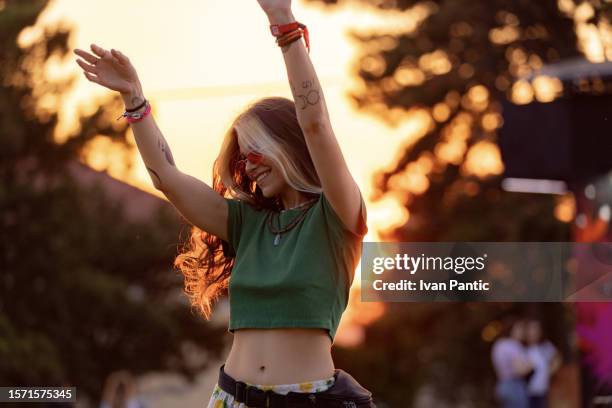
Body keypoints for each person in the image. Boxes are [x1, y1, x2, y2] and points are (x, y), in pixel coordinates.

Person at [73, 1, 375, 406]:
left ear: (286, 146)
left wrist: (284, 26)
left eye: (256, 152)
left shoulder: (336, 217)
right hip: (232, 397)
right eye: (241, 158)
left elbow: (315, 122)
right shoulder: (246, 223)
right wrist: (134, 98)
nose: (248, 168)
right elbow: (165, 176)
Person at [491, 316, 534, 408]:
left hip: (502, 385)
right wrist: (531, 365)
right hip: (515, 386)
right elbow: (519, 370)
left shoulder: (499, 344)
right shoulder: (514, 345)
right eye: (519, 328)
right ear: (512, 329)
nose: (522, 331)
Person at [525, 319, 561, 408]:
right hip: (527, 392)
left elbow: (557, 358)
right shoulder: (523, 348)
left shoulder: (545, 346)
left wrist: (550, 371)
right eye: (531, 329)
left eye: (536, 330)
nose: (534, 332)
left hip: (542, 390)